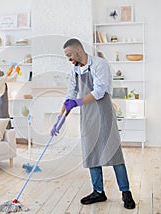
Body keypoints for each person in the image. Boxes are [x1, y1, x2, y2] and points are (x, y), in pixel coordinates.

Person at [51, 38, 135, 209]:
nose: (68, 58)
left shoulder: (99, 64)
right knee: (91, 152)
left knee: (114, 152)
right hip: (87, 114)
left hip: (103, 112)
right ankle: (98, 192)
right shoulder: (74, 70)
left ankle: (126, 193)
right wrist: (60, 119)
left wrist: (76, 103)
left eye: (69, 54)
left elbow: (99, 91)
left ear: (79, 50)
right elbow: (70, 94)